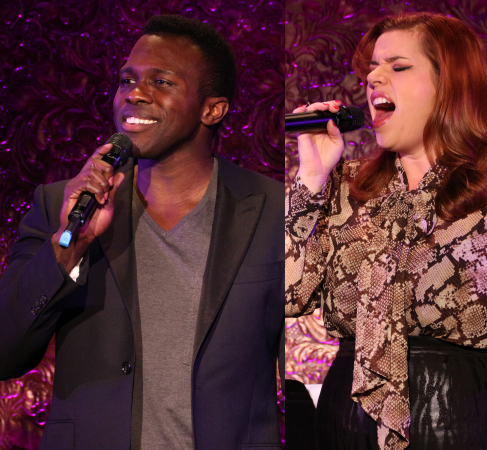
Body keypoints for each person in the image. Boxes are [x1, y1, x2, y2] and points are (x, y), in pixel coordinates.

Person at [285, 12, 487, 450]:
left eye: (398, 67)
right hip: (348, 424)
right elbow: (285, 295)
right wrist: (310, 179)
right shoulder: (344, 186)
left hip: (470, 420)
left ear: (449, 85)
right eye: (372, 68)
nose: (373, 78)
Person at [0, 14, 283, 450]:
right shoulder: (62, 206)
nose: (134, 93)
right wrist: (69, 246)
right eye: (127, 80)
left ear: (212, 109)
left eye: (161, 82)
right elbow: (6, 351)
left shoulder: (273, 211)